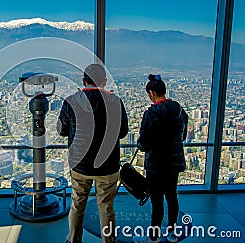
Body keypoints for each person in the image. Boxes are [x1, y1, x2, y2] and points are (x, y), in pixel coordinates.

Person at [58, 64, 128, 243]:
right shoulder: (116, 101)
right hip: (108, 164)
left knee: (78, 204)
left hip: (80, 164)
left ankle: (73, 240)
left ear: (84, 81)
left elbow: (62, 130)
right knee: (106, 208)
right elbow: (122, 132)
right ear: (104, 81)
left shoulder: (71, 101)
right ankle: (108, 241)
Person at [133, 74, 188, 243]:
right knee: (172, 197)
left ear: (151, 93)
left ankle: (154, 237)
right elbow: (183, 136)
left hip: (156, 164)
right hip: (174, 162)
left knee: (157, 202)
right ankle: (172, 232)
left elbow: (143, 143)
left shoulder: (151, 113)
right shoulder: (179, 110)